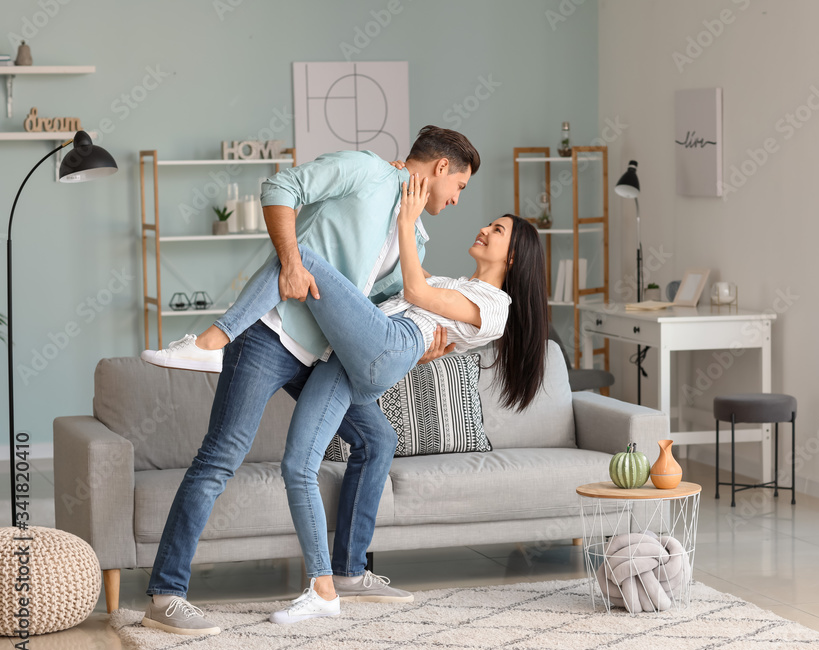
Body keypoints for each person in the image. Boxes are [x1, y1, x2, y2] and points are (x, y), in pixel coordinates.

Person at [149, 177, 548, 624]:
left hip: (384, 347)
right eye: (489, 223)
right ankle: (333, 582)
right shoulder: (457, 284)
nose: (483, 227)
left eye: (498, 230)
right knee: (327, 454)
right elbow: (394, 297)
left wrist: (407, 220)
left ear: (512, 256)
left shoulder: (496, 305)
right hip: (355, 352)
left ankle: (212, 339)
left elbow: (414, 296)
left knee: (307, 261)